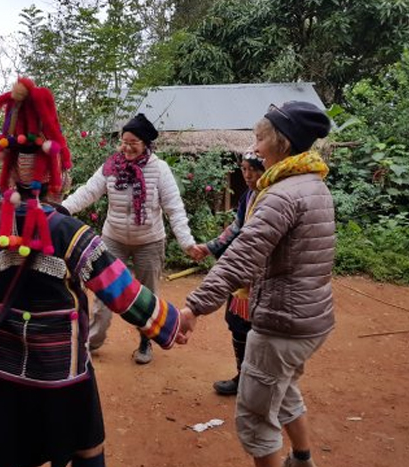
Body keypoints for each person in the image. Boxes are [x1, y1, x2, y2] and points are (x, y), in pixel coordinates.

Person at [0, 78, 184, 467]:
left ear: (8, 174)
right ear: (54, 175)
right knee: (87, 450)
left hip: (4, 371)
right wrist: (169, 324)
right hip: (64, 373)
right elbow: (121, 291)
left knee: (6, 454)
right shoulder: (69, 231)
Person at [178, 101, 334, 467]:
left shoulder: (280, 195)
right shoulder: (313, 184)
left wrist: (196, 304)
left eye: (260, 139)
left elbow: (243, 254)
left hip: (283, 323)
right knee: (285, 389)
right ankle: (302, 458)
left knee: (255, 417)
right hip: (311, 318)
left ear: (281, 143)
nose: (257, 148)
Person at [62, 113, 202, 364]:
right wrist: (61, 211)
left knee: (147, 296)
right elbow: (88, 192)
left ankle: (146, 342)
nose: (126, 147)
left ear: (146, 143)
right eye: (123, 141)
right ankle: (91, 341)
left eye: (133, 142)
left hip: (149, 241)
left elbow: (174, 208)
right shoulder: (111, 167)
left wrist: (187, 242)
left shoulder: (159, 169)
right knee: (104, 293)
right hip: (113, 238)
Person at [191, 148, 266, 395]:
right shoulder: (248, 197)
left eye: (252, 169)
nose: (247, 174)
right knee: (237, 323)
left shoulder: (272, 197)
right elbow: (236, 228)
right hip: (242, 273)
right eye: (244, 169)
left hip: (263, 275)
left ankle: (259, 383)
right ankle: (243, 377)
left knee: (262, 329)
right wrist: (208, 247)